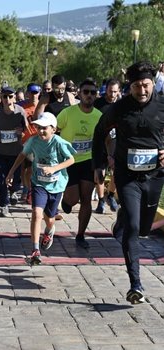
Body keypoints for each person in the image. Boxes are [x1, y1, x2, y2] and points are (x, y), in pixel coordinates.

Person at [92, 61, 164, 304]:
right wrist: (99, 165)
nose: (141, 91)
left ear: (153, 83)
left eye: (145, 85)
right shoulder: (119, 109)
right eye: (136, 86)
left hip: (155, 176)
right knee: (133, 228)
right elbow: (99, 133)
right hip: (127, 175)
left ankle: (123, 218)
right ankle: (136, 284)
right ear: (129, 87)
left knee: (143, 229)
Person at [6, 112, 75, 264]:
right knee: (37, 214)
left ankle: (49, 231)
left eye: (45, 128)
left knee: (49, 219)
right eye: (38, 127)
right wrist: (11, 172)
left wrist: (54, 168)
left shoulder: (59, 142)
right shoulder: (33, 141)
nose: (41, 131)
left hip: (57, 185)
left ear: (54, 129)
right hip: (39, 183)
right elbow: (22, 155)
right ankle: (35, 249)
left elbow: (71, 160)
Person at [57, 78, 102, 249]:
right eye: (86, 92)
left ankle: (81, 235)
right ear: (79, 94)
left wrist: (105, 161)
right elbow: (54, 130)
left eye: (93, 92)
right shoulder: (68, 113)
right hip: (69, 161)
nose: (89, 95)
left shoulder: (99, 116)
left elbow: (105, 139)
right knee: (73, 198)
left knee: (86, 198)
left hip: (89, 161)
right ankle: (67, 203)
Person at [0, 86, 28, 217]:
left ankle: (14, 191)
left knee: (15, 177)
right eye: (4, 96)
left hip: (15, 152)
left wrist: (21, 132)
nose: (7, 99)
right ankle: (4, 205)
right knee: (1, 177)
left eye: (10, 96)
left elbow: (26, 129)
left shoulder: (20, 111)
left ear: (14, 97)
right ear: (1, 98)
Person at [93, 78, 121, 214]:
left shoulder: (122, 104)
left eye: (115, 91)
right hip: (100, 141)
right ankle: (101, 200)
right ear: (106, 90)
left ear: (119, 91)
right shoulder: (98, 104)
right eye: (110, 91)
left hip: (116, 142)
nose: (112, 94)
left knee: (116, 171)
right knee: (100, 172)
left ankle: (110, 195)